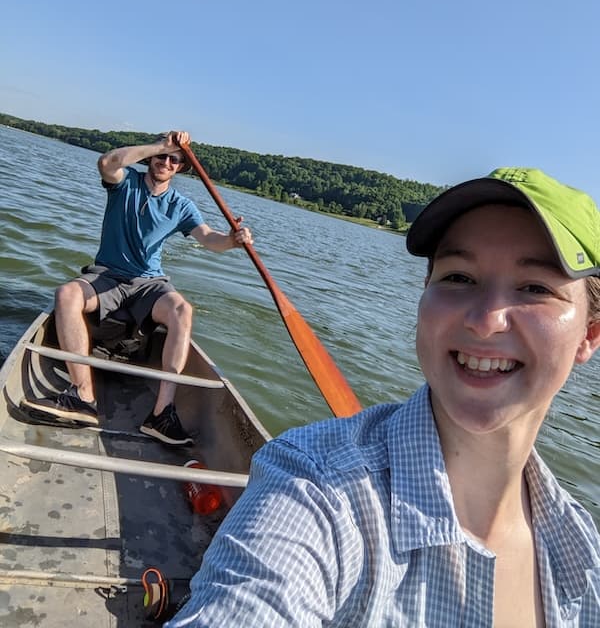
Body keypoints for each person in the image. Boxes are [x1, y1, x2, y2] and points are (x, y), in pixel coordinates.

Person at [165, 167, 600, 626]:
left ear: (589, 335)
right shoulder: (315, 489)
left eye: (535, 288)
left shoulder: (583, 551)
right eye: (459, 278)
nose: (485, 320)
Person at [22, 130, 253, 446]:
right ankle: (82, 397)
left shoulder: (181, 206)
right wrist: (161, 144)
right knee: (67, 294)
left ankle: (161, 415)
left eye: (174, 159)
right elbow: (106, 161)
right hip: (107, 276)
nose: (166, 162)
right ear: (150, 156)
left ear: (180, 168)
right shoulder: (124, 181)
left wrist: (232, 241)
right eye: (162, 156)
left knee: (182, 310)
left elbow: (208, 238)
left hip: (149, 284)